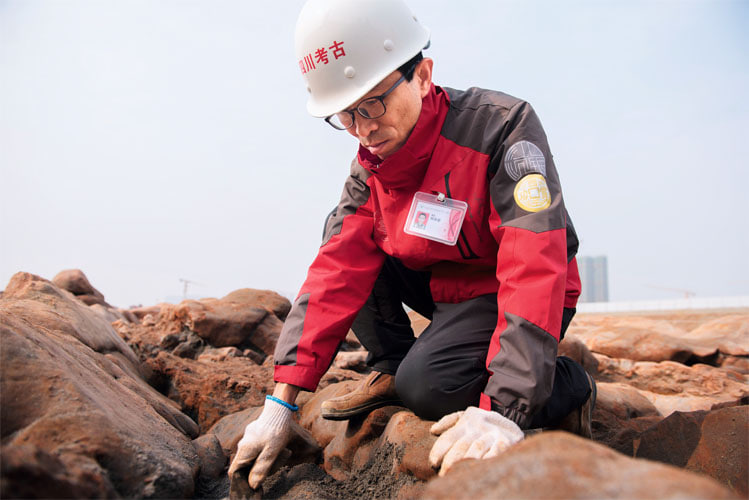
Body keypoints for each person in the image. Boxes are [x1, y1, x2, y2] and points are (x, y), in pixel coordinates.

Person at [229, 0, 595, 489]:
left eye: (372, 104)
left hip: (507, 287)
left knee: (429, 387)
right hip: (441, 283)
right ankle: (392, 367)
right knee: (340, 233)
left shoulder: (501, 128)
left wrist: (506, 407)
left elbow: (533, 263)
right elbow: (336, 270)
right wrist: (280, 403)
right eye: (346, 115)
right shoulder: (370, 165)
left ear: (422, 76)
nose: (363, 129)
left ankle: (568, 383)